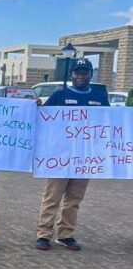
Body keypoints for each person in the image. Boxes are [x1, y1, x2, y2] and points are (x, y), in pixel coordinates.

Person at [35, 58, 109, 251]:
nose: (81, 76)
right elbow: (43, 117)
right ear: (72, 75)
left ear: (91, 74)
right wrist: (34, 106)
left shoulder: (100, 97)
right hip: (60, 155)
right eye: (77, 72)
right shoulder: (60, 95)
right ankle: (44, 234)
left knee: (74, 199)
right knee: (52, 196)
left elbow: (109, 124)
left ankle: (66, 234)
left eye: (85, 72)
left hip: (85, 156)